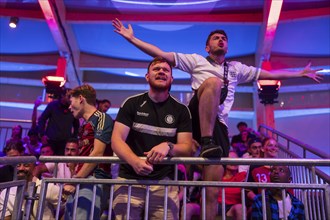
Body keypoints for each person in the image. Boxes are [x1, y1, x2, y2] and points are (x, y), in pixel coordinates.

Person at [112, 18, 322, 220]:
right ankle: (205, 142)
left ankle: (208, 144)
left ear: (227, 47)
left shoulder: (237, 69)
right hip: (194, 118)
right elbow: (160, 53)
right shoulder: (196, 60)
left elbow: (267, 74)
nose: (221, 40)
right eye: (216, 38)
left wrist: (299, 73)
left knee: (212, 191)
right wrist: (131, 38)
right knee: (213, 83)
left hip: (218, 127)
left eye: (224, 38)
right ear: (207, 47)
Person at [111, 57, 192, 219]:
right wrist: (135, 162)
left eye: (166, 70)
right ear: (147, 76)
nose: (161, 71)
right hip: (129, 181)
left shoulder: (181, 110)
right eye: (156, 69)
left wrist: (168, 146)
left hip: (164, 184)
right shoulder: (131, 103)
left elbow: (187, 147)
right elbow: (116, 140)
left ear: (171, 79)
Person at [64, 84, 113, 220]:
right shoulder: (83, 125)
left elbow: (97, 153)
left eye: (71, 102)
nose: (69, 107)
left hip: (94, 179)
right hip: (81, 179)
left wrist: (74, 181)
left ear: (80, 98)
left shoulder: (102, 118)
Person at [0, 154, 61, 219]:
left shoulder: (47, 187)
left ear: (34, 168)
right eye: (18, 165)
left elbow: (66, 207)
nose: (21, 168)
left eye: (26, 165)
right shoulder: (6, 193)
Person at [37, 88, 80, 155]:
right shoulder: (53, 105)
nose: (71, 99)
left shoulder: (73, 107)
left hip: (65, 141)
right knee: (49, 162)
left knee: (62, 162)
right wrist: (42, 135)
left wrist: (73, 138)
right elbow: (42, 119)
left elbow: (76, 125)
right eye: (69, 96)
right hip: (51, 140)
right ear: (63, 96)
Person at [217, 151, 246, 220]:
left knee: (240, 207)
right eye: (230, 159)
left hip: (233, 208)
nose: (233, 162)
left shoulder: (243, 175)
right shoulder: (218, 176)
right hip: (216, 206)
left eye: (235, 160)